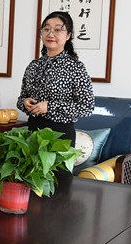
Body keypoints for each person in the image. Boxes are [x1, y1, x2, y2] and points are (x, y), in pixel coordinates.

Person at [17, 11, 94, 146]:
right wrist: (24, 102)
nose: (50, 34)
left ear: (68, 35)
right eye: (46, 29)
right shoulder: (34, 65)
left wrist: (49, 107)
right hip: (32, 133)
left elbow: (86, 107)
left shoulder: (75, 67)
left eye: (58, 30)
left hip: (60, 136)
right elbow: (21, 98)